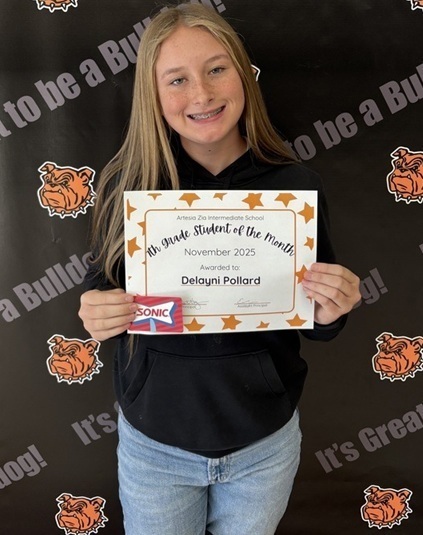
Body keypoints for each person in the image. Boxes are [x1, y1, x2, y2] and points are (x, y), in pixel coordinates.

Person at [79, 3, 361, 534]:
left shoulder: (294, 186)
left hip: (264, 445)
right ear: (154, 97)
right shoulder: (129, 186)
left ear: (243, 75)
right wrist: (97, 310)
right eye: (178, 79)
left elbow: (318, 319)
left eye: (216, 69)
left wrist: (332, 306)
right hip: (155, 446)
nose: (202, 95)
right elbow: (104, 286)